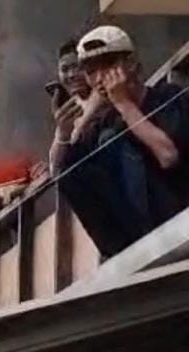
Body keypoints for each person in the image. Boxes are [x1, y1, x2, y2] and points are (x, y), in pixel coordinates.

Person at [57, 25, 189, 258]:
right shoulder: (107, 124)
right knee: (77, 163)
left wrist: (124, 104)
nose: (100, 79)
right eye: (91, 71)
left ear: (131, 64)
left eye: (108, 66)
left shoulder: (168, 97)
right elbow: (66, 173)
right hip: (139, 238)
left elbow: (169, 156)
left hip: (179, 213)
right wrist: (69, 130)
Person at [48, 39, 93, 174]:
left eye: (77, 67)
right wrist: (63, 133)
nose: (71, 75)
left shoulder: (103, 96)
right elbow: (54, 168)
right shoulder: (70, 107)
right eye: (65, 69)